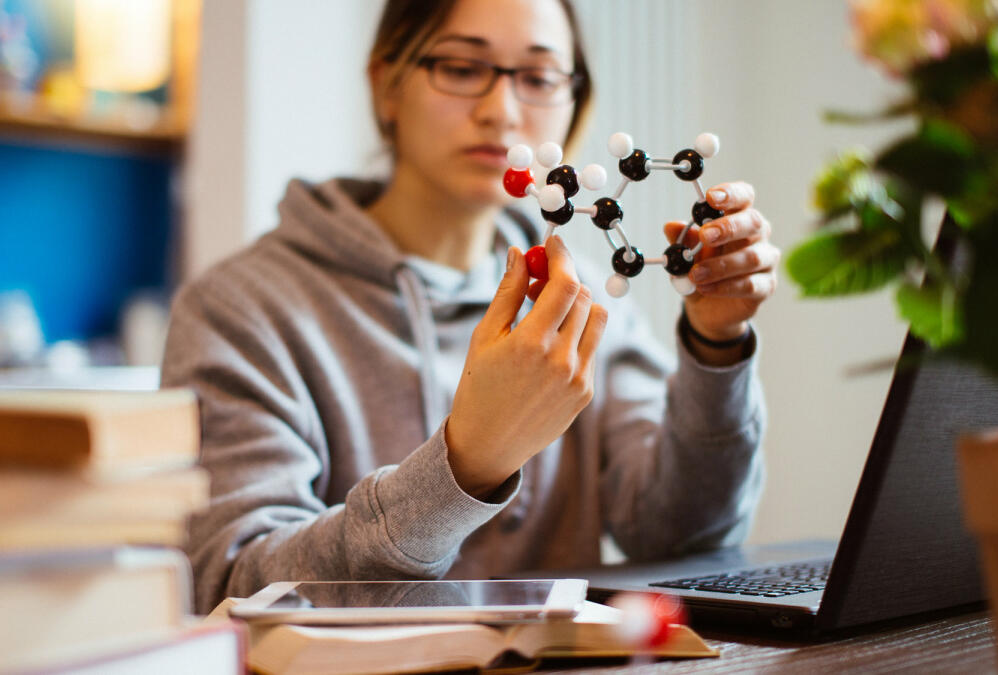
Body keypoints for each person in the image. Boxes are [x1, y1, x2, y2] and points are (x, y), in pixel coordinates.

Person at [163, 0, 778, 613]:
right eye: (460, 68)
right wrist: (467, 464)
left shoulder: (576, 293)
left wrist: (716, 344)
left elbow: (683, 535)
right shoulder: (239, 310)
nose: (501, 112)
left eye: (538, 78)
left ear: (574, 104)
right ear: (386, 87)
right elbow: (234, 586)